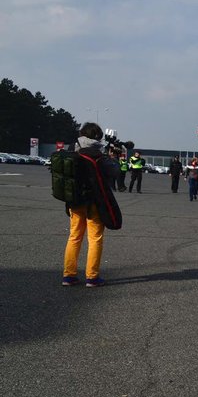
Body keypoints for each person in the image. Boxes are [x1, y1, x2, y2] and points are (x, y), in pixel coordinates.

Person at [62, 122, 120, 288]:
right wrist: (113, 157)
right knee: (95, 239)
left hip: (74, 201)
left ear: (82, 134)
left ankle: (69, 275)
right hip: (94, 202)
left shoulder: (72, 148)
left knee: (74, 237)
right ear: (98, 137)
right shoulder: (98, 154)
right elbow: (115, 171)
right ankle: (92, 277)